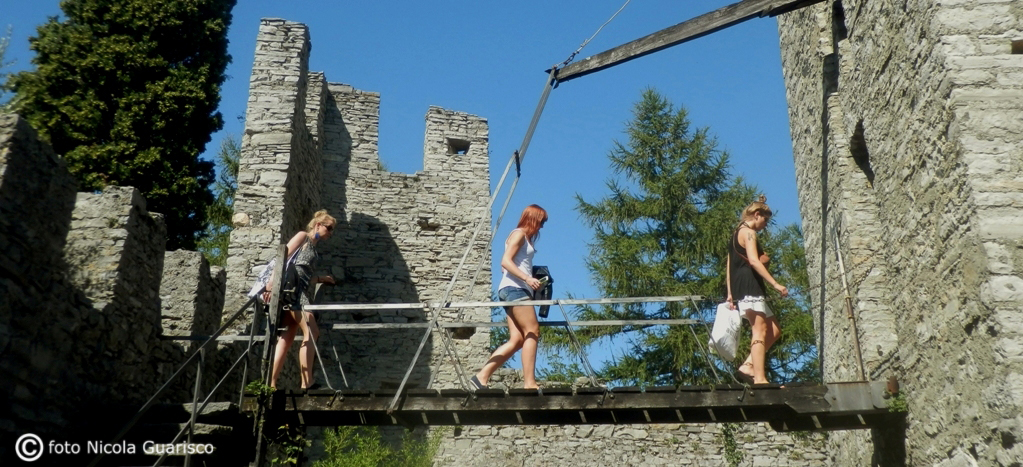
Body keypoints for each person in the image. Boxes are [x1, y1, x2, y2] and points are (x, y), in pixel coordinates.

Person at [470, 204, 548, 391]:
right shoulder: (519, 234)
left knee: (517, 339)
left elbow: (505, 267)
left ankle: (481, 377)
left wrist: (530, 277)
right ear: (533, 219)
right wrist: (527, 278)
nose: (541, 227)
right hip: (516, 290)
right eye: (541, 222)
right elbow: (505, 261)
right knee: (532, 331)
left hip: (511, 289)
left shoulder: (521, 237)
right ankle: (529, 383)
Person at [266, 210, 338, 390]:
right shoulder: (302, 236)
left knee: (287, 338)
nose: (330, 233)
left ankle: (271, 383)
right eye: (329, 228)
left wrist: (321, 279)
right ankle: (307, 382)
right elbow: (282, 258)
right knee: (312, 331)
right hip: (295, 293)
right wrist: (272, 283)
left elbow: (302, 273)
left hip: (298, 291)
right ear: (318, 225)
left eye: (332, 230)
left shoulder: (313, 247)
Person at [726, 196, 788, 385]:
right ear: (757, 215)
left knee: (774, 330)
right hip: (750, 284)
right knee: (759, 330)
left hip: (740, 285)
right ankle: (760, 378)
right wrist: (775, 284)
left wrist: (730, 293)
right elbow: (753, 261)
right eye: (765, 220)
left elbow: (729, 266)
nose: (765, 225)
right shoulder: (749, 233)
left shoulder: (736, 233)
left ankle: (748, 365)